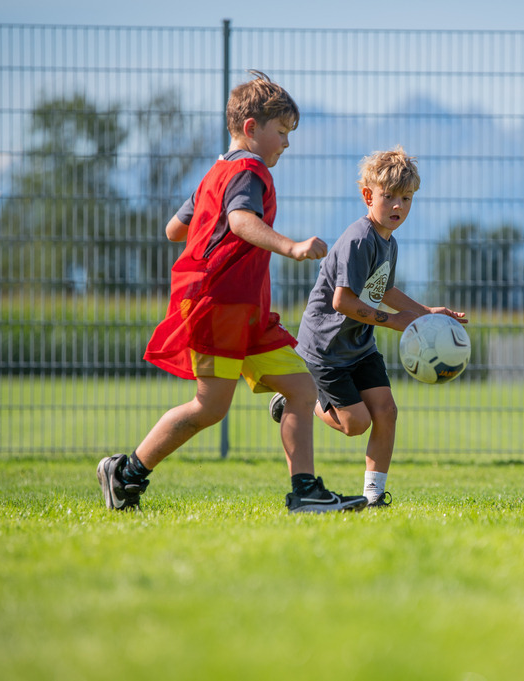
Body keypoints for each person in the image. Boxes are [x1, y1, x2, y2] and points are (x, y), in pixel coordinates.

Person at [98, 71, 367, 514]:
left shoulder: (217, 172)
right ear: (251, 129)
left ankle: (305, 493)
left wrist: (207, 225)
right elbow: (242, 221)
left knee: (301, 389)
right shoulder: (248, 170)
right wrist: (291, 245)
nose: (285, 143)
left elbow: (174, 229)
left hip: (244, 312)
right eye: (280, 133)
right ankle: (125, 473)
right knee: (209, 408)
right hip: (219, 307)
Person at [270, 147, 467, 507]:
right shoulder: (360, 238)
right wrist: (394, 322)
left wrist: (426, 313)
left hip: (359, 346)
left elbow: (384, 289)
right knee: (355, 424)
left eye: (405, 199)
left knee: (387, 411)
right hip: (326, 350)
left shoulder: (389, 242)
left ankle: (374, 496)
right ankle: (296, 401)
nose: (397, 206)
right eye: (388, 196)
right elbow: (342, 301)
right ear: (367, 196)